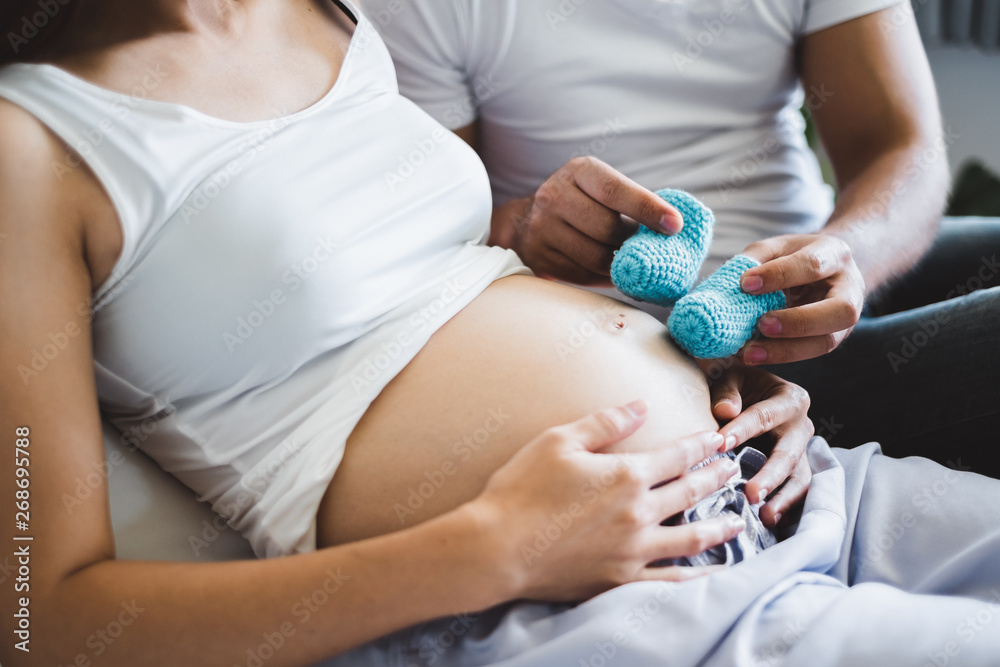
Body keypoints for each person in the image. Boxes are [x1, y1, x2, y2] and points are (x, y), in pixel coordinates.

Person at [1, 2, 1000, 666]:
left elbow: (432, 289)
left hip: (778, 477)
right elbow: (38, 617)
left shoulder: (317, 14)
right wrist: (496, 552)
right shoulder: (30, 142)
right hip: (598, 607)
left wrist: (701, 369)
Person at [365, 0, 1000, 472]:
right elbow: (429, 230)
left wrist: (841, 256)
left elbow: (900, 148)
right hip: (636, 343)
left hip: (810, 264)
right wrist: (521, 226)